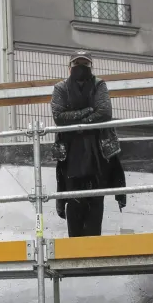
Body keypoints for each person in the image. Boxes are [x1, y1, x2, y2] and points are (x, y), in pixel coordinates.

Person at [51, 50, 126, 237]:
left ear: (91, 67)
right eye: (77, 64)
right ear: (69, 68)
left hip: (98, 157)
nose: (81, 68)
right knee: (72, 203)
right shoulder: (60, 88)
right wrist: (88, 112)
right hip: (70, 158)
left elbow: (105, 112)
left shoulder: (99, 84)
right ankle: (75, 251)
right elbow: (59, 117)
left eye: (85, 64)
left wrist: (77, 122)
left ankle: (93, 253)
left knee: (95, 206)